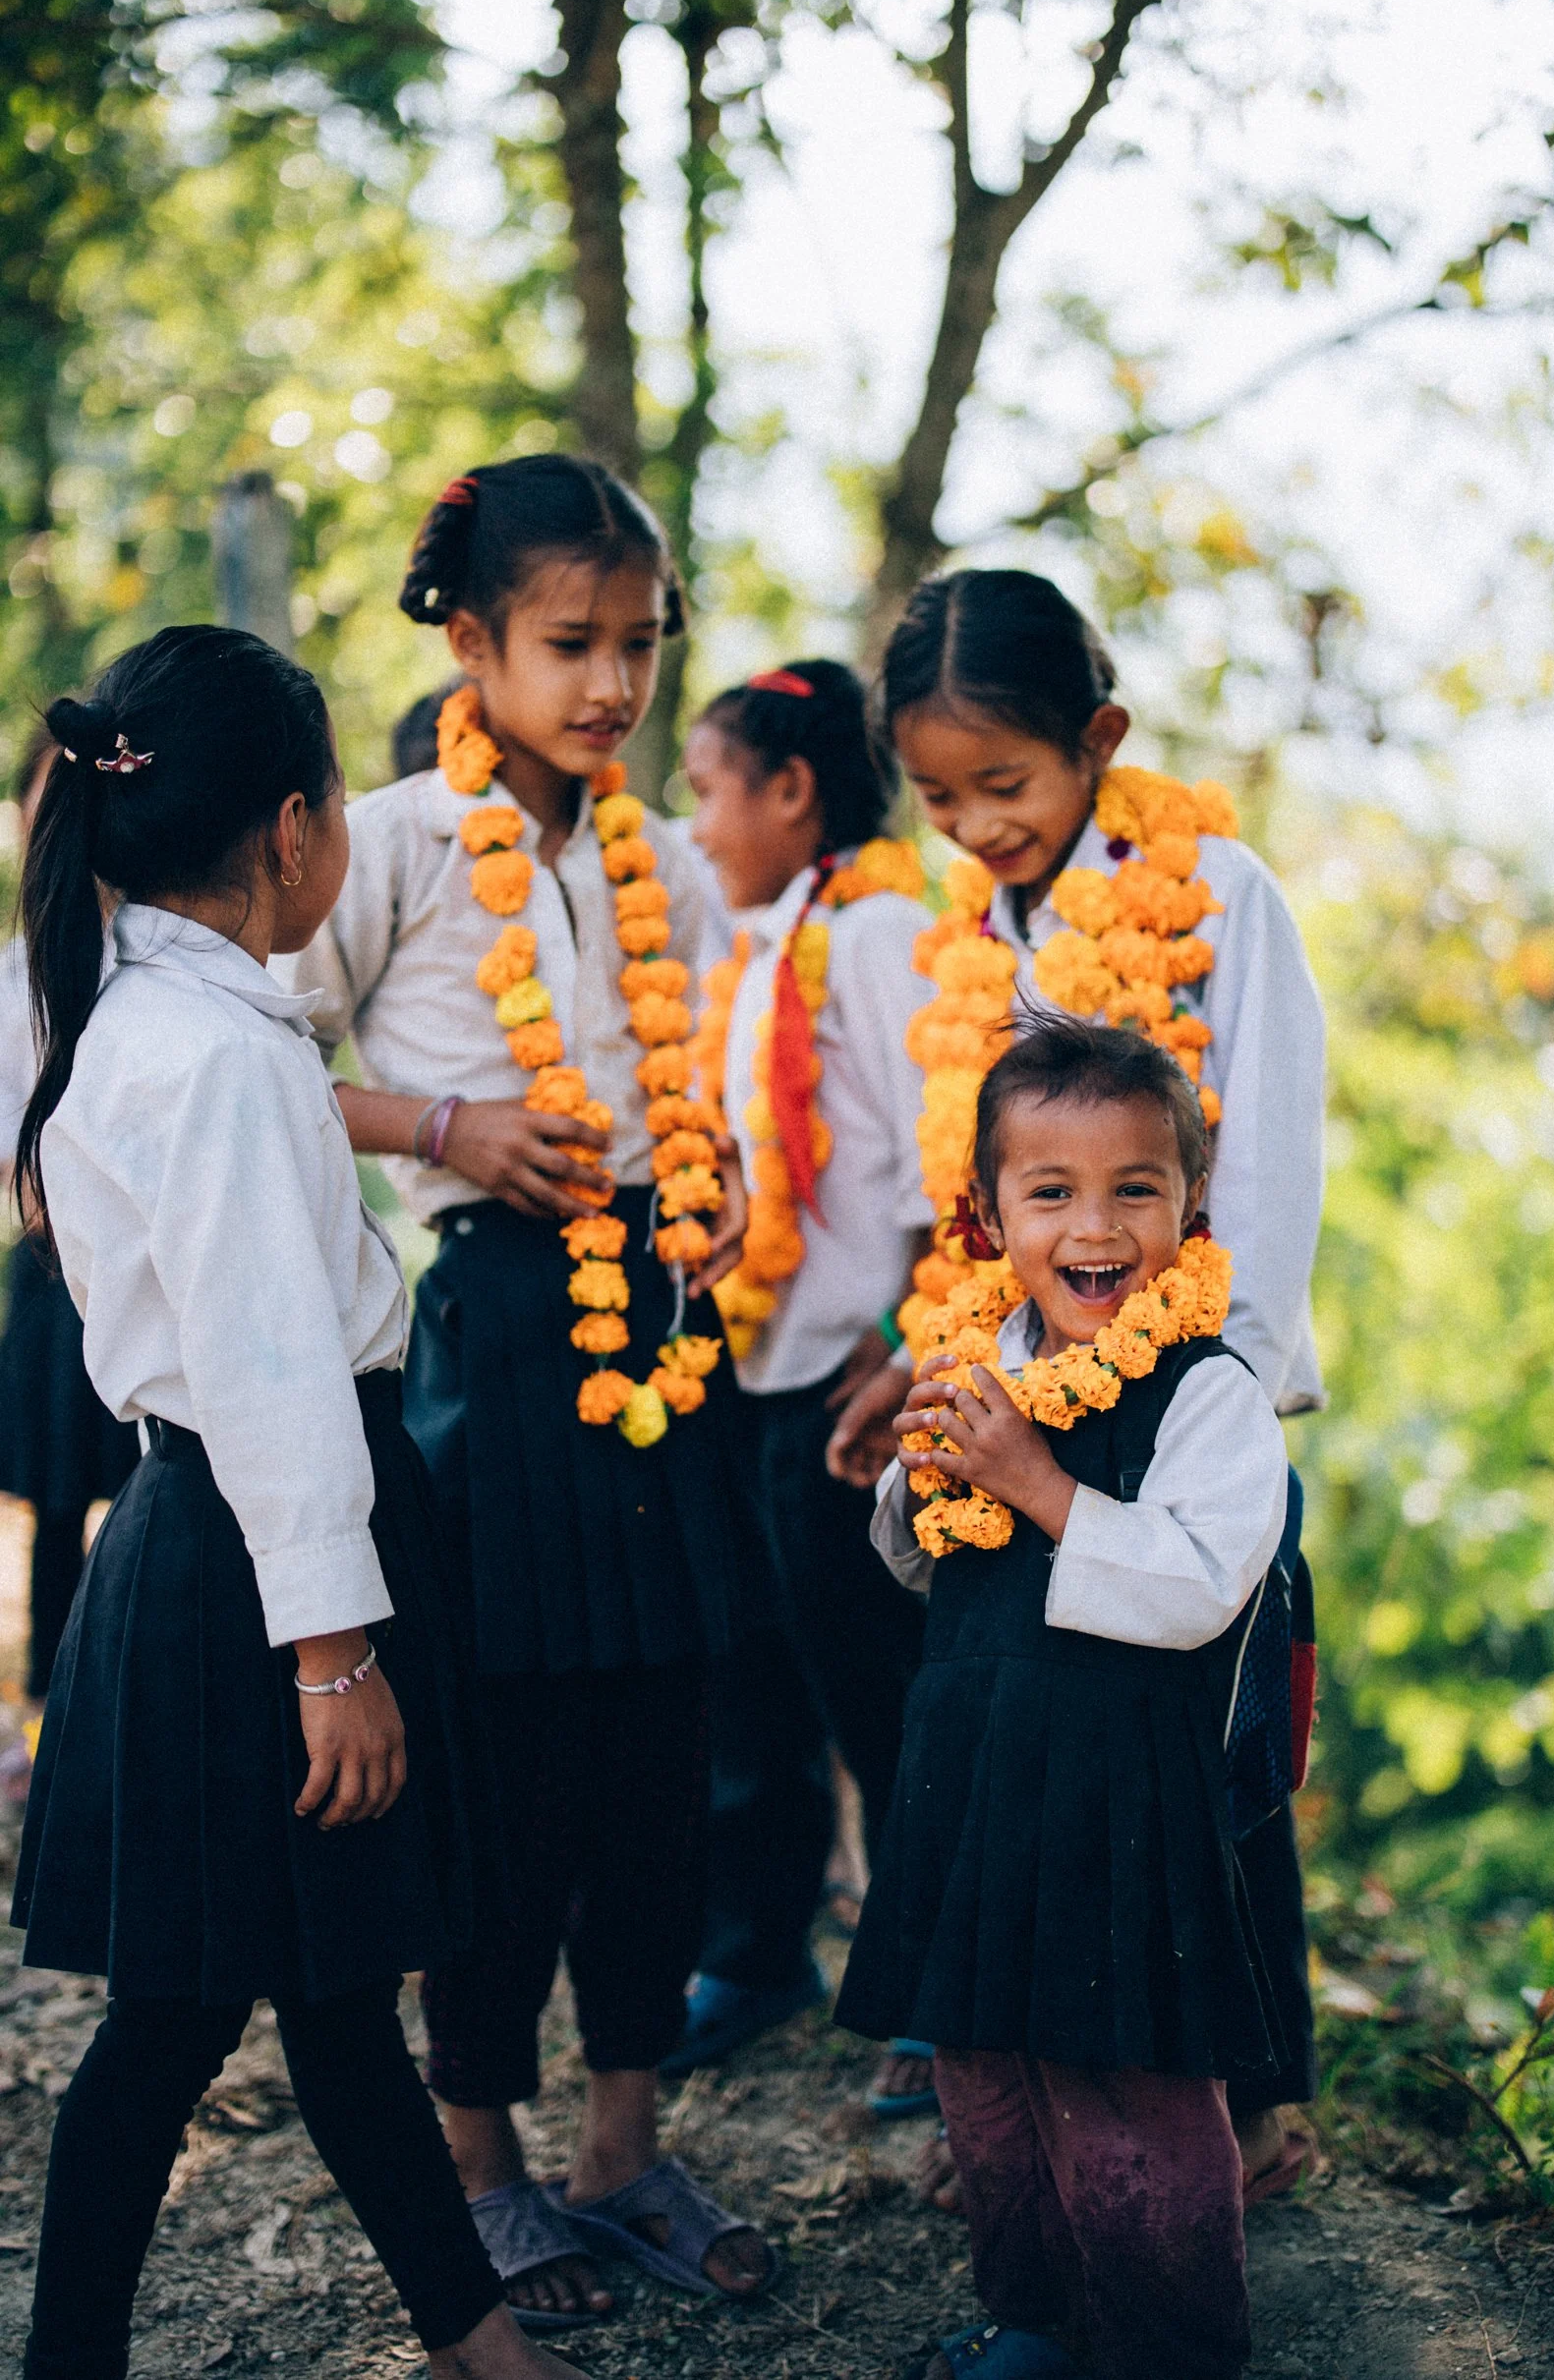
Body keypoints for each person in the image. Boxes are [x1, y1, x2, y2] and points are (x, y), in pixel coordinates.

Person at [9, 625, 580, 2380]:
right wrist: (336, 1656)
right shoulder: (222, 1056)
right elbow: (267, 1369)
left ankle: (478, 2343)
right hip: (265, 1572)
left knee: (331, 1992)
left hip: (211, 1551)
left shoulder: (125, 1006)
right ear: (294, 831)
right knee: (178, 2021)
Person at [287, 452, 772, 2331]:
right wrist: (446, 1128)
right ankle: (483, 2165)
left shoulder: (655, 861)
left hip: (660, 1336)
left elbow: (691, 1078)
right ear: (474, 640)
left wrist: (710, 1190)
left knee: (671, 1764)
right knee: (509, 1777)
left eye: (640, 644)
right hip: (492, 1347)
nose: (612, 684)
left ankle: (624, 2146)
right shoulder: (394, 843)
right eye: (570, 642)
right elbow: (262, 1066)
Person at [831, 568, 1323, 2185]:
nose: (975, 823)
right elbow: (986, 1188)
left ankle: (1246, 2113)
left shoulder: (1213, 891)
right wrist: (933, 1354)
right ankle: (1019, 2040)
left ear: (1099, 738)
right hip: (1021, 1371)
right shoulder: (980, 934)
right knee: (1030, 1738)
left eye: (1008, 784)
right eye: (941, 795)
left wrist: (1212, 1385)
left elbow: (1262, 1159)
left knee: (1199, 1759)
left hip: (1179, 1393)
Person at [837, 1012, 1289, 2380]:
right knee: (981, 2071)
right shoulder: (983, 1359)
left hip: (1115, 1794)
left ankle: (1166, 2342)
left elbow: (1200, 1585)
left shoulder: (1208, 1394)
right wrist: (919, 1486)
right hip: (971, 1772)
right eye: (1049, 1192)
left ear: (1190, 1199)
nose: (1093, 1226)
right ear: (987, 1215)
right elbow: (910, 1558)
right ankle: (1030, 2315)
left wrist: (1036, 1485)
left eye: (1132, 1189)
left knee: (1125, 2094)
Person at [665, 661, 933, 2101]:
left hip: (852, 1383)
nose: (692, 820)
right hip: (752, 1365)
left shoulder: (882, 931)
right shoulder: (771, 935)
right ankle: (757, 1953)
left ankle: (931, 1993)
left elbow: (937, 1158)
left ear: (789, 789)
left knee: (874, 1697)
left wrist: (902, 1341)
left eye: (707, 787)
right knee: (752, 1682)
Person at [0, 725, 138, 1704]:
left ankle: (126, 1691)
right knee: (56, 1501)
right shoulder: (9, 975)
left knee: (145, 1482)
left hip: (149, 1255)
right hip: (53, 1262)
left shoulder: (152, 950)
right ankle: (48, 1707)